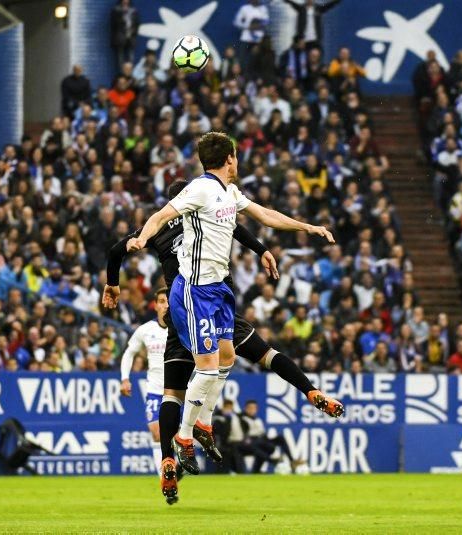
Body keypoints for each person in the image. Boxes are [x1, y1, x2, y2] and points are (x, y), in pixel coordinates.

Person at [104, 178, 343, 504]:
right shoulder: (208, 213)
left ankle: (169, 457)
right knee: (261, 354)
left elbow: (116, 250)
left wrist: (113, 285)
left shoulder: (162, 225)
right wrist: (263, 249)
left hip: (182, 310)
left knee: (174, 390)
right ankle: (305, 391)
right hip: (208, 302)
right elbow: (239, 228)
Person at [119, 287, 169, 475]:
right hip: (155, 390)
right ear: (155, 305)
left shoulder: (183, 329)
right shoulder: (146, 330)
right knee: (156, 433)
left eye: (169, 301)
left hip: (180, 391)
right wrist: (125, 379)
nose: (166, 305)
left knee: (177, 437)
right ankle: (164, 479)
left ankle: (174, 468)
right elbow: (129, 353)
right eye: (162, 301)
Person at [233, 0, 269, 66]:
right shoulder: (245, 8)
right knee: (242, 61)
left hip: (258, 41)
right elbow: (236, 22)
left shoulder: (263, 9)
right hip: (246, 39)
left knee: (257, 63)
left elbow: (266, 22)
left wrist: (259, 25)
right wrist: (248, 26)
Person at [110, 0, 139, 75]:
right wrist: (122, 14)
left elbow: (137, 23)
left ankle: (130, 73)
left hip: (131, 36)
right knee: (120, 57)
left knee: (130, 56)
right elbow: (114, 24)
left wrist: (133, 32)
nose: (125, 1)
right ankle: (121, 74)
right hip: (120, 37)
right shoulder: (116, 10)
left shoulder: (133, 11)